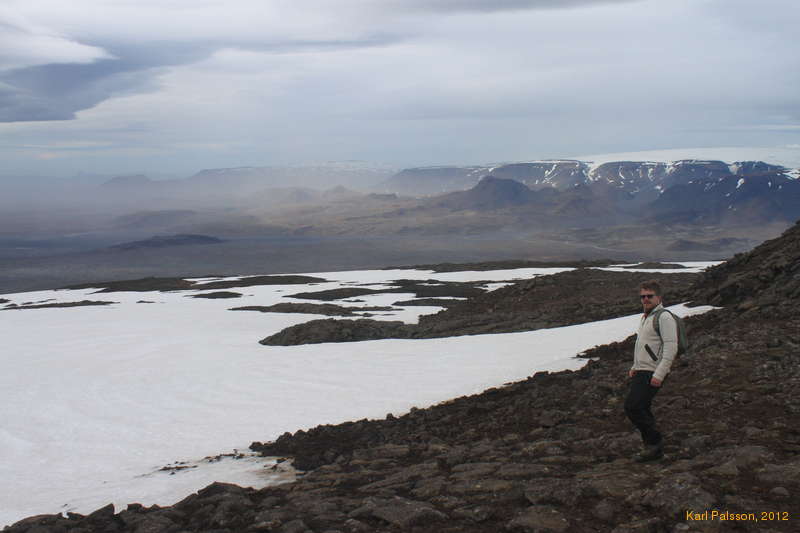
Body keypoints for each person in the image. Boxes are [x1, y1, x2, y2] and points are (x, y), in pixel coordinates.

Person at [625, 280, 678, 462]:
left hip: (652, 371)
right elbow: (642, 345)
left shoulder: (664, 317)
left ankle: (655, 443)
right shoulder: (646, 317)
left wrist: (660, 374)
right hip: (642, 370)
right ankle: (652, 447)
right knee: (642, 407)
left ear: (659, 297)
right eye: (643, 296)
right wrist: (634, 366)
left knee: (633, 406)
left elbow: (671, 347)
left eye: (649, 296)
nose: (645, 299)